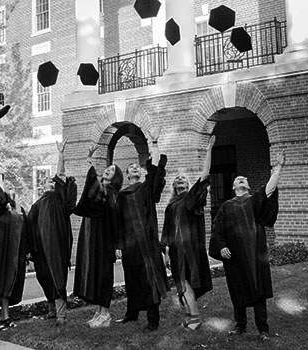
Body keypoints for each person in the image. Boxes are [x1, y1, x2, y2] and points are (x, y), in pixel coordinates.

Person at [210, 150, 286, 341]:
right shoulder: (226, 206)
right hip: (234, 256)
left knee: (258, 290)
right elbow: (217, 230)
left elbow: (269, 190)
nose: (241, 179)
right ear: (233, 186)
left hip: (255, 254)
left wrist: (278, 168)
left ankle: (263, 329)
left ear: (248, 185)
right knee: (238, 289)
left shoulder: (254, 201)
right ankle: (240, 325)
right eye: (238, 179)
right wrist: (221, 247)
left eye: (244, 179)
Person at [114, 127, 169, 331]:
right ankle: (132, 313)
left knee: (150, 278)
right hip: (130, 244)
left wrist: (154, 145)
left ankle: (153, 319)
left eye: (137, 167)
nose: (135, 168)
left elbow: (155, 171)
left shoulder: (146, 189)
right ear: (127, 175)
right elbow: (118, 222)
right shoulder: (122, 195)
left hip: (147, 241)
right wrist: (118, 245)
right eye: (131, 168)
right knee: (132, 277)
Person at [161, 135, 216, 331]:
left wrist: (209, 151)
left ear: (187, 184)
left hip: (190, 248)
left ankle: (195, 317)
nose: (180, 180)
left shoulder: (191, 199)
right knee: (180, 281)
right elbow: (167, 232)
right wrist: (166, 252)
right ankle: (188, 316)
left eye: (183, 179)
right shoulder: (170, 206)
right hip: (175, 250)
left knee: (186, 281)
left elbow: (203, 177)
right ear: (174, 186)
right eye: (177, 180)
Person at [27, 140, 77, 327]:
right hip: (40, 250)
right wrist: (29, 249)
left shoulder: (59, 200)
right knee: (44, 277)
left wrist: (61, 155)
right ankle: (51, 309)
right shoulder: (36, 205)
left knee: (58, 278)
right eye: (47, 181)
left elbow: (61, 176)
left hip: (57, 247)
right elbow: (29, 228)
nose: (50, 182)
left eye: (52, 181)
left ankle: (61, 315)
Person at [72, 145, 123, 328]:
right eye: (107, 169)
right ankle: (99, 312)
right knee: (96, 274)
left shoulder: (112, 194)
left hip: (105, 241)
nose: (108, 171)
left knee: (104, 276)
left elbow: (96, 192)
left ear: (116, 177)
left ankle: (106, 314)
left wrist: (90, 164)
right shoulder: (104, 191)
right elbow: (92, 195)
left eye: (112, 170)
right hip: (94, 241)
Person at [0, 167, 28, 332]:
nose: (10, 188)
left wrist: (26, 251)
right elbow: (0, 197)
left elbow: (25, 230)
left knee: (9, 283)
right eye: (6, 187)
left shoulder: (18, 209)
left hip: (14, 253)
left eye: (11, 186)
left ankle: (6, 316)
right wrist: (1, 180)